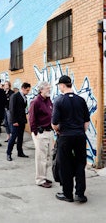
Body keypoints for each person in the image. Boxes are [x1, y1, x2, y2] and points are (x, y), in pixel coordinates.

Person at [52, 75, 90, 203]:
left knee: (65, 165)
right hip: (79, 136)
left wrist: (58, 131)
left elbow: (54, 123)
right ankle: (80, 194)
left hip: (65, 137)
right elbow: (86, 122)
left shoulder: (59, 101)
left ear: (62, 85)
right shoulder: (81, 100)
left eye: (59, 85)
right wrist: (79, 131)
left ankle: (67, 194)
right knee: (80, 163)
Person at [28, 81, 54, 188]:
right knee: (41, 157)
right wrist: (35, 132)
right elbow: (32, 118)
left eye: (49, 88)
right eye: (47, 88)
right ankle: (40, 179)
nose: (49, 90)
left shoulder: (48, 100)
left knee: (50, 156)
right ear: (41, 89)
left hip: (50, 131)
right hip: (41, 133)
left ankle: (43, 175)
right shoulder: (36, 102)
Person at [7, 82, 31, 161]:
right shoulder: (15, 96)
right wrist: (14, 121)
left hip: (22, 120)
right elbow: (12, 109)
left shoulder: (24, 97)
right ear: (23, 88)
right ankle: (8, 153)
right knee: (13, 137)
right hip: (15, 121)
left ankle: (20, 152)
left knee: (20, 137)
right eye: (27, 90)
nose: (28, 92)